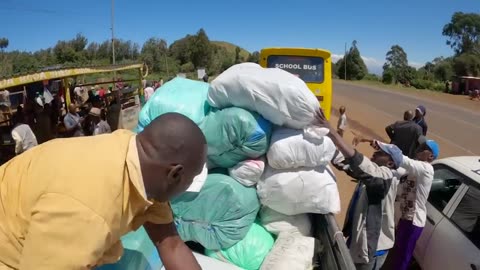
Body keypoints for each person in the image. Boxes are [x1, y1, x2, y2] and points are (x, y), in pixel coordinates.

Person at [0, 113, 208, 270]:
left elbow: (171, 244)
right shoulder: (87, 209)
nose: (188, 186)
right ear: (174, 175)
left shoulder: (141, 162)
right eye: (191, 179)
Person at [315, 109, 403, 270]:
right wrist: (325, 140)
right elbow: (346, 163)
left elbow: (357, 160)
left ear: (390, 163)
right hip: (360, 240)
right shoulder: (372, 173)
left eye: (380, 152)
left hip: (373, 246)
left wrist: (333, 133)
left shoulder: (385, 178)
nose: (375, 153)